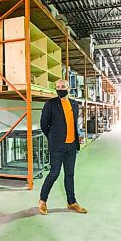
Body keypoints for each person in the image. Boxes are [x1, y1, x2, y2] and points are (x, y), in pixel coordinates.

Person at [38, 79, 87, 215]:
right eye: (57, 87)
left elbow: (73, 123)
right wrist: (53, 138)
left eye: (63, 86)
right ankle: (42, 201)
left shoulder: (74, 104)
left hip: (71, 146)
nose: (60, 89)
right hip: (57, 146)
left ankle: (72, 202)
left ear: (69, 89)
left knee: (69, 174)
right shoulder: (50, 104)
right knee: (54, 173)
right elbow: (44, 124)